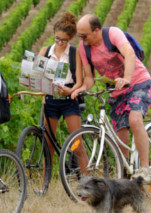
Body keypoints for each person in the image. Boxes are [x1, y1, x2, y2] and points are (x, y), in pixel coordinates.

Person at [70, 14, 151, 181]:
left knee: (135, 120)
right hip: (117, 91)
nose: (81, 39)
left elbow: (129, 53)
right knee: (119, 133)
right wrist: (81, 89)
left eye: (84, 35)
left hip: (138, 83)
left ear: (96, 31)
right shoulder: (84, 48)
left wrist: (127, 78)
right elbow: (89, 78)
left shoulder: (112, 34)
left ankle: (145, 168)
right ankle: (125, 175)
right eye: (79, 35)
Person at [36, 12, 89, 193]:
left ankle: (86, 185)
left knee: (77, 143)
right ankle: (45, 186)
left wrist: (71, 90)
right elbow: (35, 75)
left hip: (68, 99)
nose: (59, 43)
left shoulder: (75, 54)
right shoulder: (45, 51)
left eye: (63, 40)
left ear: (71, 38)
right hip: (50, 99)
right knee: (48, 145)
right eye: (57, 39)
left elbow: (80, 82)